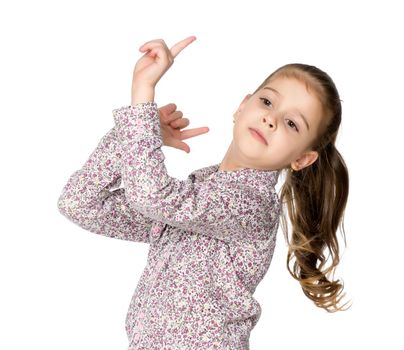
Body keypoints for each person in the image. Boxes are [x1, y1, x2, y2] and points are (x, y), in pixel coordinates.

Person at [57, 36, 351, 349]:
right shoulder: (193, 201)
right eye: (267, 102)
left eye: (292, 123)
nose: (271, 119)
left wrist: (142, 96)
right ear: (242, 106)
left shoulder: (251, 206)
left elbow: (151, 195)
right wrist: (132, 135)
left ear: (301, 159)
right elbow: (79, 203)